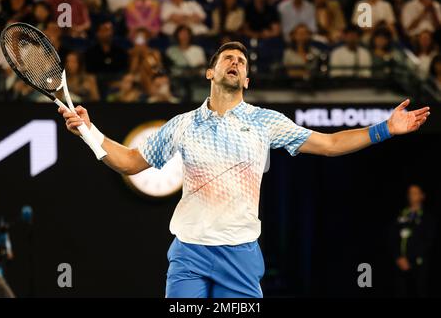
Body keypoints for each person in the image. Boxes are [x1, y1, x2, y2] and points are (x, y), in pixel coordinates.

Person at [59, 41, 430, 298]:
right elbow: (129, 162)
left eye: (242, 61)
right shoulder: (182, 124)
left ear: (247, 80)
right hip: (189, 253)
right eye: (228, 59)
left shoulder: (266, 122)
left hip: (239, 255)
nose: (235, 62)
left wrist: (386, 129)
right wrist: (88, 131)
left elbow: (330, 145)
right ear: (210, 72)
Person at [390, 184, 436, 297]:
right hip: (400, 265)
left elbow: (429, 241)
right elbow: (391, 237)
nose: (412, 196)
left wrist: (410, 259)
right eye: (410, 193)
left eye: (415, 193)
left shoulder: (428, 218)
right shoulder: (401, 215)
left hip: (419, 266)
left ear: (422, 196)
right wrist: (398, 257)